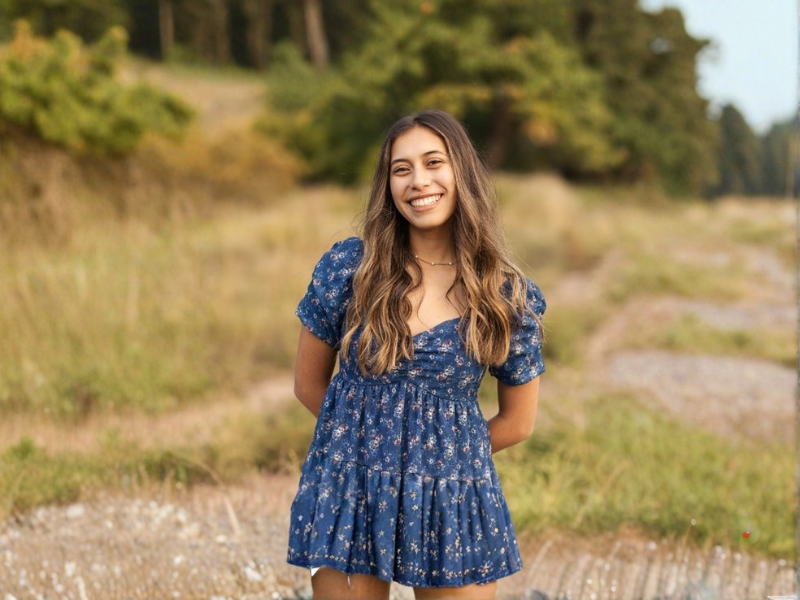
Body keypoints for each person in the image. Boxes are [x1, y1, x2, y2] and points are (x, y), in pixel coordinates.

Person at [288, 109, 545, 600]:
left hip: (453, 493)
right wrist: (370, 453)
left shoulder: (505, 293)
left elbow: (518, 422)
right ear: (387, 185)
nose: (418, 181)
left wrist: (429, 462)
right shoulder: (349, 268)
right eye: (401, 169)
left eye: (433, 163)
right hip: (354, 486)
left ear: (461, 173)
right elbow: (308, 385)